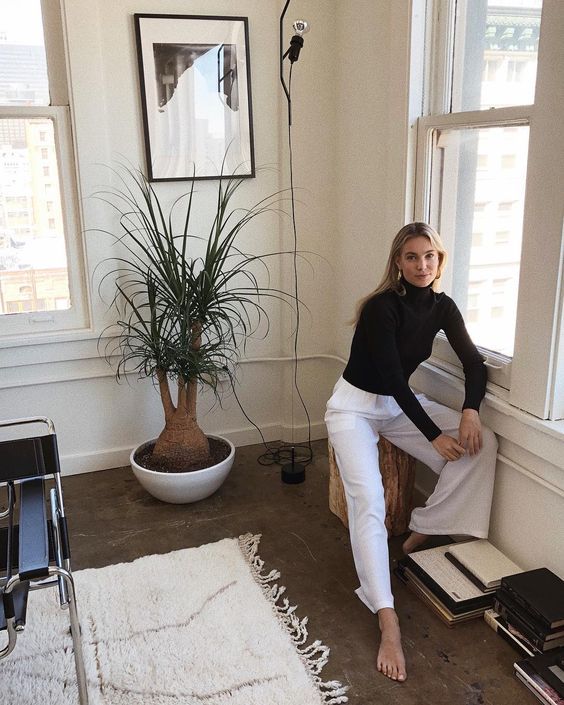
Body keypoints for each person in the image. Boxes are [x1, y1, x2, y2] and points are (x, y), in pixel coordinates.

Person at [325, 222, 497, 683]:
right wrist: (433, 435)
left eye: (430, 257)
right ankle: (388, 618)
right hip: (354, 409)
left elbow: (473, 363)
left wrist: (470, 411)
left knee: (483, 446)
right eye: (411, 257)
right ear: (397, 263)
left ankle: (426, 526)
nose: (422, 266)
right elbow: (392, 377)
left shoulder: (443, 307)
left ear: (440, 261)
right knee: (371, 504)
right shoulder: (383, 308)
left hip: (397, 408)